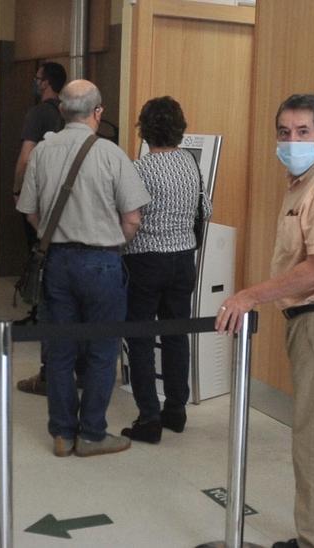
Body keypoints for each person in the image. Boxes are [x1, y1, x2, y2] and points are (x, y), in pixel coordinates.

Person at [216, 94, 314, 548]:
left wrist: (249, 296)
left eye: (303, 132)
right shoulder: (305, 178)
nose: (292, 139)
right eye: (284, 131)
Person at [16, 79, 150, 457]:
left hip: (57, 262)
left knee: (59, 351)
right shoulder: (111, 153)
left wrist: (52, 233)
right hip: (102, 262)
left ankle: (61, 433)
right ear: (98, 112)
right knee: (102, 350)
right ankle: (91, 433)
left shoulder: (42, 151)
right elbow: (133, 218)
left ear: (61, 110)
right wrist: (111, 241)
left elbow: (29, 211)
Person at [119, 96, 209, 444]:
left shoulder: (138, 169)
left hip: (144, 261)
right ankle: (176, 410)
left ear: (144, 129)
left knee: (140, 339)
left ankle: (149, 418)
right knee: (176, 334)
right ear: (179, 128)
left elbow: (129, 216)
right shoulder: (190, 164)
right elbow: (206, 207)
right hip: (184, 259)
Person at [13, 61, 73, 395]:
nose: (35, 84)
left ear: (46, 83)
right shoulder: (69, 117)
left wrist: (18, 191)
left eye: (37, 79)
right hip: (77, 221)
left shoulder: (37, 114)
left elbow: (26, 157)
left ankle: (40, 316)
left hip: (46, 209)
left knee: (42, 266)